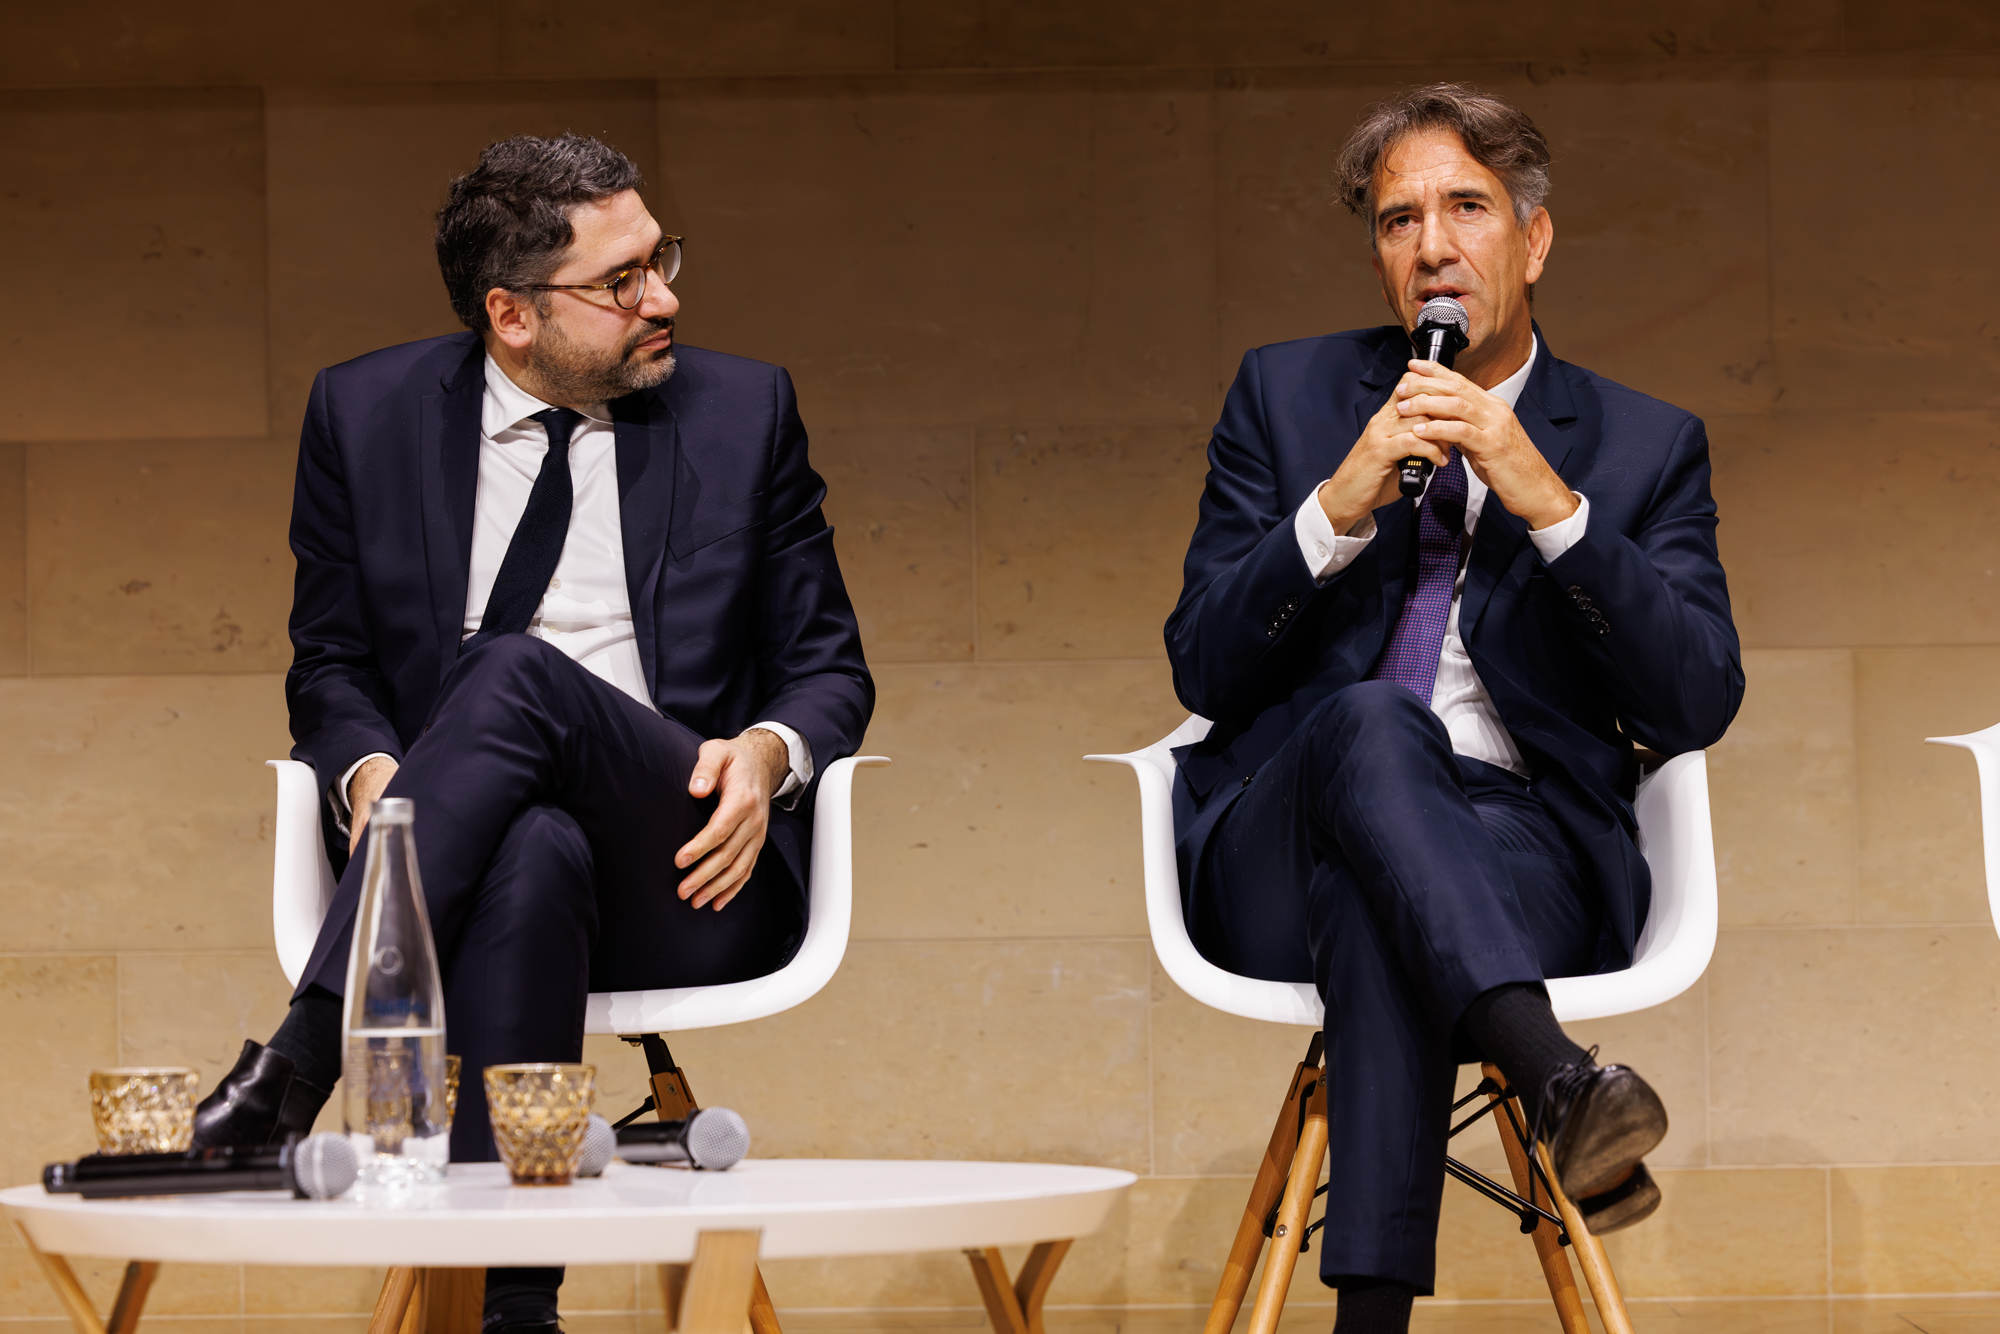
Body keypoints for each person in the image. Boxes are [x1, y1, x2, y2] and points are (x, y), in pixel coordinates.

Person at [190, 134, 872, 1331]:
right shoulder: (365, 413)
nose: (663, 298)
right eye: (621, 280)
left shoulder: (743, 410)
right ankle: (515, 1305)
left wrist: (766, 754)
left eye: (658, 259)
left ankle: (301, 1054)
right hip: (457, 855)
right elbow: (331, 663)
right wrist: (370, 769)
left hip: (685, 859)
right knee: (531, 840)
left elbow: (827, 665)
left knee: (509, 670)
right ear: (511, 314)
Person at [1166, 84, 1740, 1333]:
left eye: (1465, 208)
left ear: (1532, 240)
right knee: (1375, 726)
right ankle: (1552, 1073)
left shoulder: (1642, 444)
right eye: (1397, 220)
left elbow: (1694, 697)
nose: (1430, 244)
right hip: (1282, 834)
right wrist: (1333, 507)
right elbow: (1201, 669)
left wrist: (1549, 504)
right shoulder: (1284, 396)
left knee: (1382, 902)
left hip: (1519, 846)